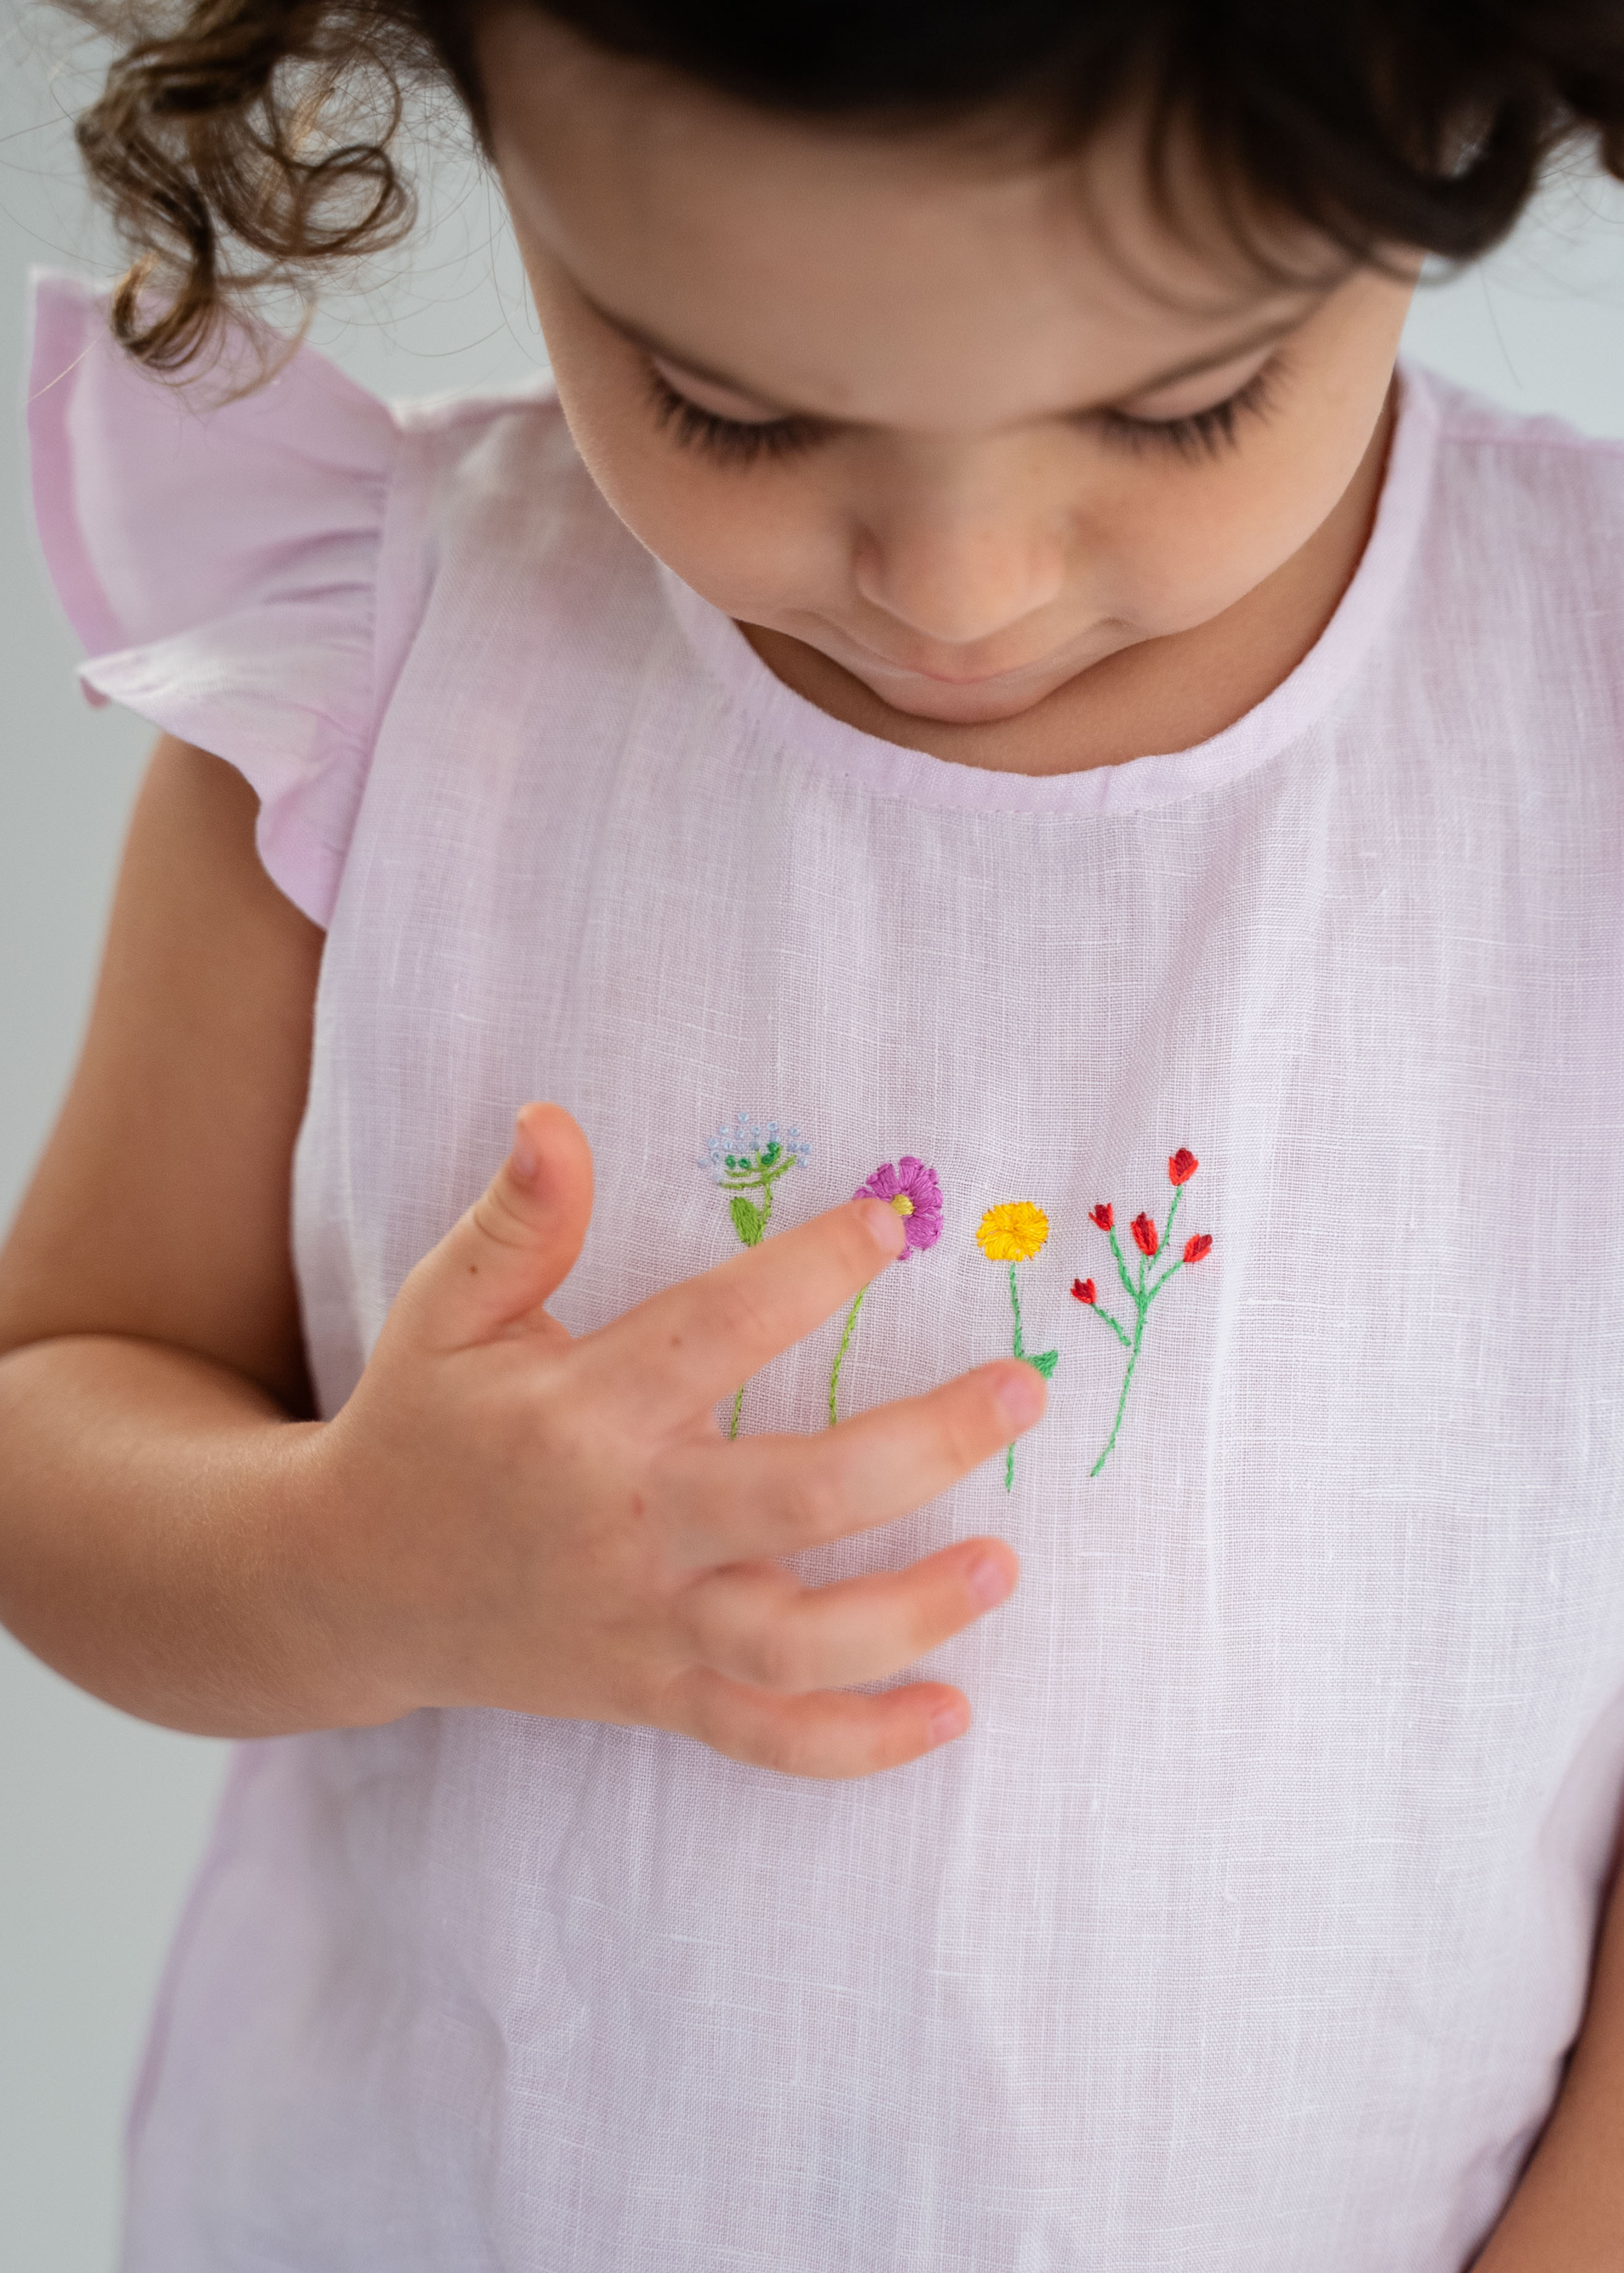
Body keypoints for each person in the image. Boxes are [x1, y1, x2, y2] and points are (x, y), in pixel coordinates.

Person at [5, 0, 1624, 2262]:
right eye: (732, 406)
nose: (961, 591)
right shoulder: (396, 667)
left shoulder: (1584, 729)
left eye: (1179, 405)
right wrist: (336, 1558)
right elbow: (49, 1413)